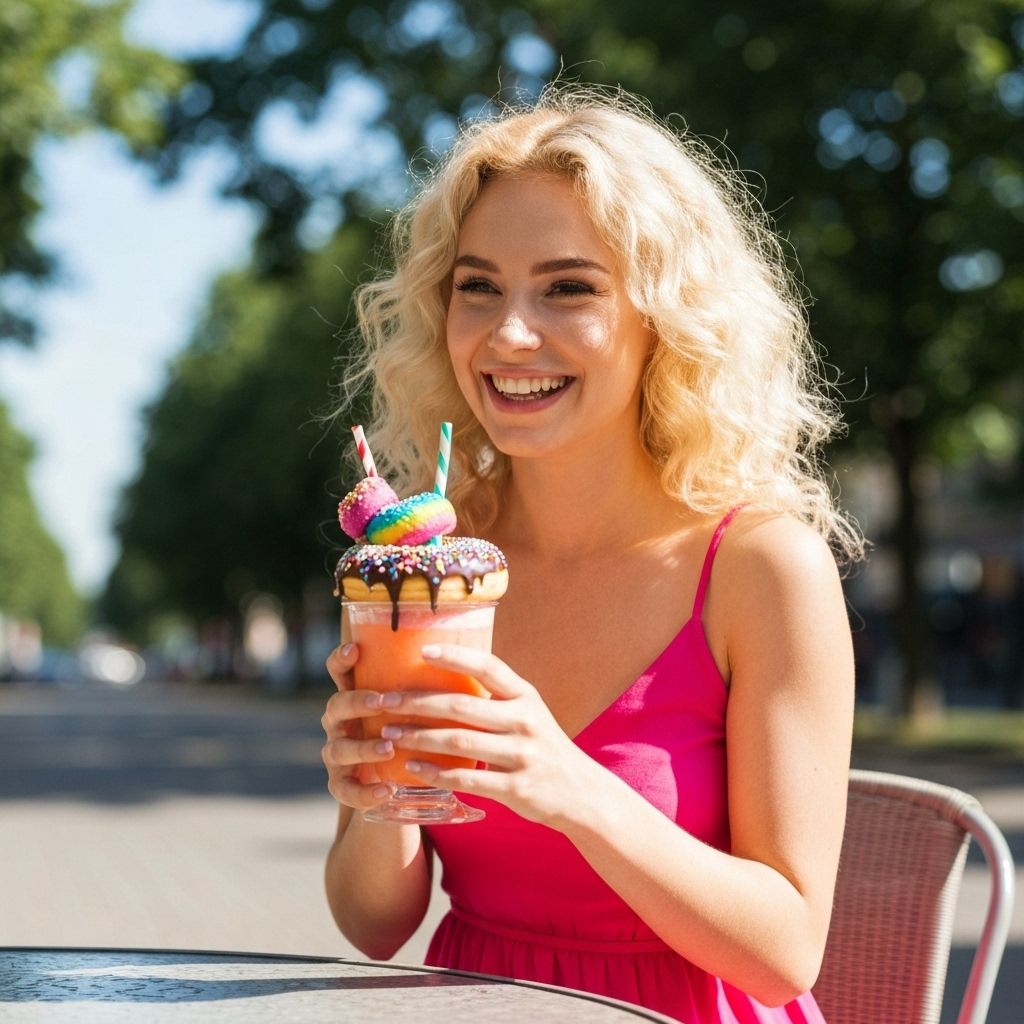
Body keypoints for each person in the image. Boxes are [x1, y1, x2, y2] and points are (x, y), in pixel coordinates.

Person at [320, 83, 863, 1023]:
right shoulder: (432, 566)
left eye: (568, 288)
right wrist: (378, 796)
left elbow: (785, 953)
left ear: (667, 316)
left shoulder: (763, 567)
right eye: (477, 287)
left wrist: (570, 787)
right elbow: (373, 926)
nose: (509, 333)